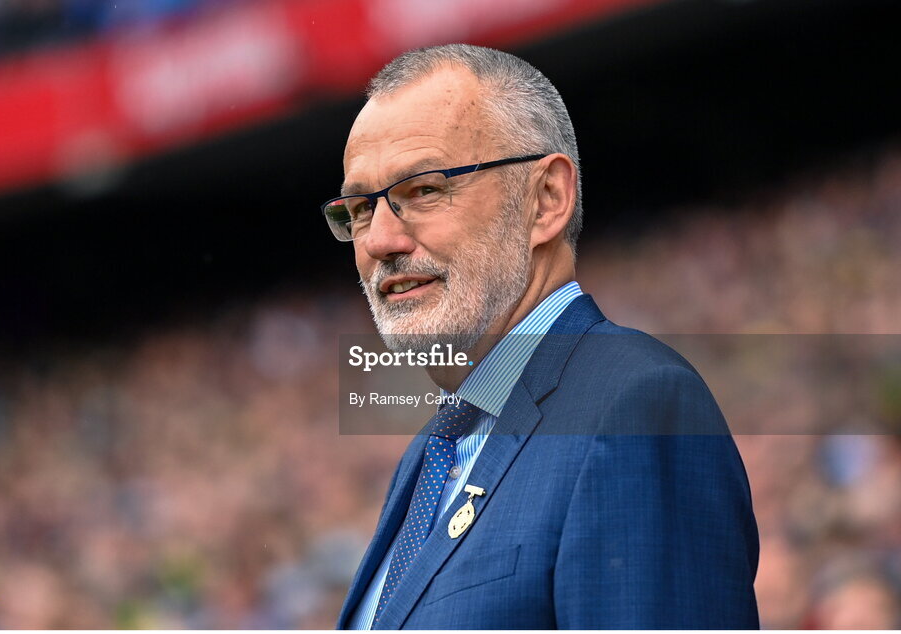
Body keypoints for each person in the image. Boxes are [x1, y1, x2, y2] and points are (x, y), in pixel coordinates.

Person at [322, 43, 759, 629]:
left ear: (546, 200)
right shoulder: (430, 454)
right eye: (358, 210)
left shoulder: (635, 404)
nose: (378, 241)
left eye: (423, 190)